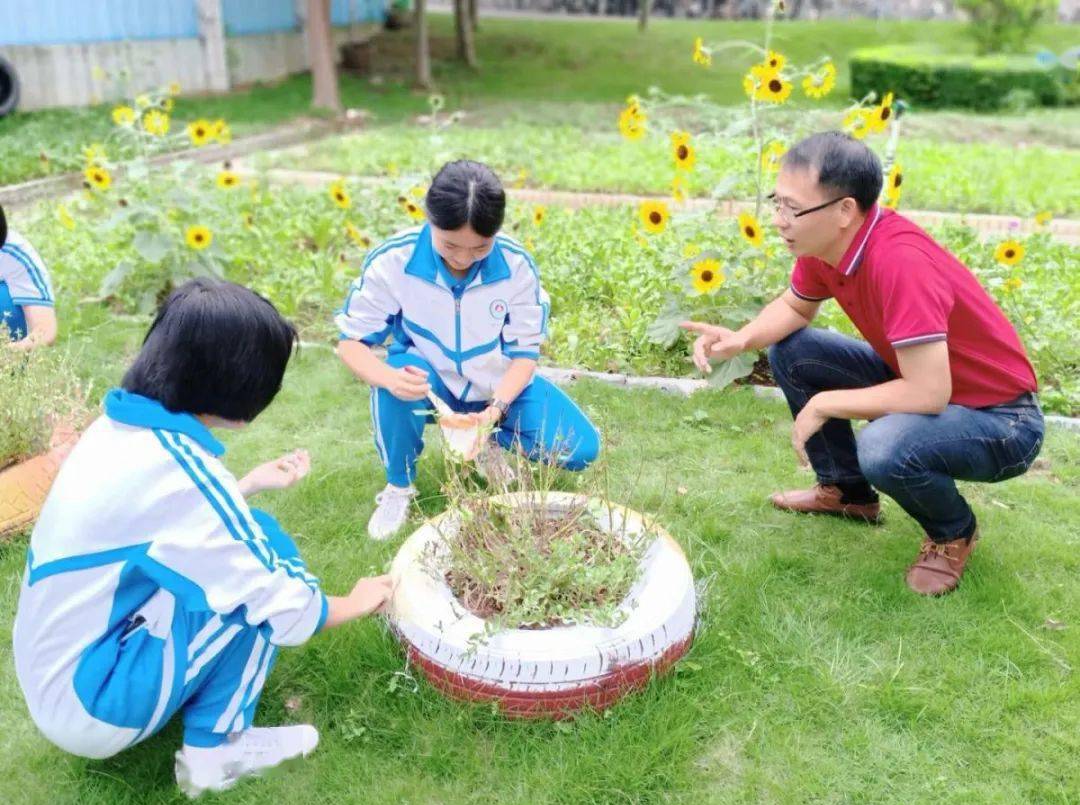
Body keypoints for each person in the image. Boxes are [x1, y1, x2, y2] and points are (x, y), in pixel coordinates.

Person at [13, 278, 393, 798]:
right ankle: (214, 756)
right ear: (241, 386)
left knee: (240, 551)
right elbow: (276, 604)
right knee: (266, 564)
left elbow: (162, 529)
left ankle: (184, 705)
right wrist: (352, 603)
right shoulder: (181, 470)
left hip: (55, 671)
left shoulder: (117, 429)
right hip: (93, 701)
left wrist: (250, 483)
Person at [681, 132, 1043, 596]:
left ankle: (953, 531)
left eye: (792, 208)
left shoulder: (900, 262)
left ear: (844, 210)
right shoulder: (828, 246)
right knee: (794, 352)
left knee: (884, 447)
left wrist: (826, 403)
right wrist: (739, 339)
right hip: (927, 388)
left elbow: (929, 393)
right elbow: (796, 308)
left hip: (1004, 420)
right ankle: (849, 494)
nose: (778, 220)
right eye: (777, 203)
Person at [336, 160, 601, 540]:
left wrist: (494, 411)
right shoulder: (393, 261)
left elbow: (525, 356)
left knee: (580, 449)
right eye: (449, 245)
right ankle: (398, 486)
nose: (462, 258)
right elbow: (351, 344)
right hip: (428, 385)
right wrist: (390, 378)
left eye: (480, 247)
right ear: (429, 220)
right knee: (395, 382)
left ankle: (486, 442)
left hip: (495, 386)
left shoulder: (516, 266)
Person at [1, 203, 57, 349]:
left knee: (3, 302)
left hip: (8, 352)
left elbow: (45, 331)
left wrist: (8, 353)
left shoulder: (13, 251)